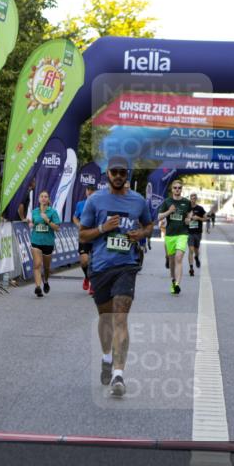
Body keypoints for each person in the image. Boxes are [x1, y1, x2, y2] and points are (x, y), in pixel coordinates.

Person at [79, 156, 154, 397]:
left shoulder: (138, 201)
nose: (119, 176)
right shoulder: (95, 200)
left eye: (123, 172)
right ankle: (106, 357)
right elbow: (82, 235)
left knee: (120, 317)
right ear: (108, 174)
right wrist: (103, 229)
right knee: (105, 319)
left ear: (128, 173)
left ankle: (118, 374)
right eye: (115, 172)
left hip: (126, 265)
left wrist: (140, 233)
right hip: (101, 267)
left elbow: (150, 225)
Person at [158, 180, 191, 295]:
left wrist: (188, 219)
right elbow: (159, 216)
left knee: (178, 258)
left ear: (182, 189)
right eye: (175, 188)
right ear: (172, 189)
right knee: (171, 260)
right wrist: (169, 211)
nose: (177, 189)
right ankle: (173, 280)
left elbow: (189, 214)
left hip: (182, 234)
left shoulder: (186, 202)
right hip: (170, 235)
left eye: (179, 188)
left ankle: (177, 284)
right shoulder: (167, 202)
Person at [28, 190, 61, 298]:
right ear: (38, 199)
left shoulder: (53, 212)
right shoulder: (34, 211)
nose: (43, 198)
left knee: (46, 267)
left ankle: (45, 281)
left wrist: (47, 221)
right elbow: (33, 223)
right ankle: (38, 287)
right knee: (37, 264)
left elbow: (57, 228)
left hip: (48, 242)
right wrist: (30, 223)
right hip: (36, 240)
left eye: (46, 196)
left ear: (48, 199)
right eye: (41, 196)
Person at [73, 185, 96, 295]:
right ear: (86, 191)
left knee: (95, 262)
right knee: (84, 260)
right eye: (88, 190)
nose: (90, 192)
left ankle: (93, 284)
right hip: (84, 236)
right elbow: (75, 217)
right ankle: (87, 277)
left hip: (96, 236)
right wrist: (79, 225)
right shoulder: (80, 204)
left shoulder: (99, 205)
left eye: (92, 190)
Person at [186, 193, 206, 276]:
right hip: (189, 233)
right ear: (190, 199)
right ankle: (191, 268)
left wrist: (198, 218)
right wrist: (189, 219)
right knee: (191, 250)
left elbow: (206, 218)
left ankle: (197, 257)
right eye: (191, 198)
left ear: (196, 199)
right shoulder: (187, 209)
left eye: (194, 198)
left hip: (198, 233)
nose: (193, 200)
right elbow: (184, 220)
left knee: (196, 250)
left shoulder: (200, 209)